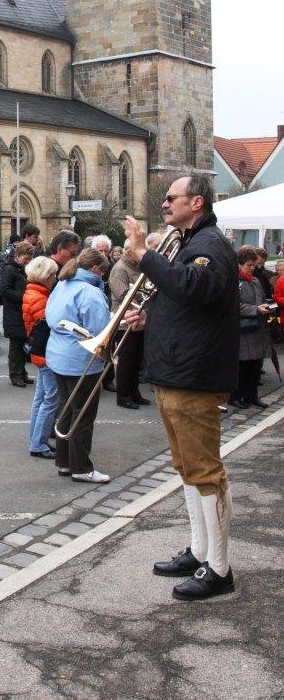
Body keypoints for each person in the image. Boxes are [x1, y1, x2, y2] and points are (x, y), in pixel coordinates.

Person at [124, 172, 239, 600]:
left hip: (194, 376)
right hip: (177, 371)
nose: (165, 204)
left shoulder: (209, 245)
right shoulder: (191, 242)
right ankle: (199, 549)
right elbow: (188, 306)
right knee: (186, 467)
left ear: (197, 203)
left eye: (172, 198)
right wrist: (151, 319)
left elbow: (194, 287)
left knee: (205, 471)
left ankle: (220, 568)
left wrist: (143, 256)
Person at [46, 247, 111, 484]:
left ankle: (64, 462)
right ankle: (81, 467)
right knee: (83, 414)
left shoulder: (62, 284)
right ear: (95, 269)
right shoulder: (89, 291)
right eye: (102, 272)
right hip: (80, 358)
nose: (103, 277)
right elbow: (101, 329)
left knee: (66, 409)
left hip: (58, 354)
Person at [108, 241, 151, 410]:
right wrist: (142, 301)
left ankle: (134, 392)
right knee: (126, 360)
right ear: (128, 251)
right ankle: (123, 395)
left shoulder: (137, 266)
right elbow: (124, 295)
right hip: (126, 321)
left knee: (136, 359)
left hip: (139, 318)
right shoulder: (119, 269)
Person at [23, 256, 59, 458]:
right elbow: (50, 324)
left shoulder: (34, 292)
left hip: (40, 352)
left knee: (42, 398)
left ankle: (37, 440)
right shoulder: (39, 297)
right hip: (45, 353)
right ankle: (39, 443)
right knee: (50, 400)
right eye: (52, 274)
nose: (55, 277)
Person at [232, 246, 272, 409]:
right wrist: (255, 309)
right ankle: (236, 396)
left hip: (257, 328)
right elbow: (235, 306)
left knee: (256, 365)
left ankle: (252, 396)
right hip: (243, 329)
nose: (252, 268)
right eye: (249, 265)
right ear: (240, 264)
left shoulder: (254, 280)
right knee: (242, 366)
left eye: (254, 265)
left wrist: (267, 306)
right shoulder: (235, 281)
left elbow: (260, 299)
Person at [0, 242, 34, 387]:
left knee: (23, 344)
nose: (27, 261)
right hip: (13, 312)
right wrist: (23, 297)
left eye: (29, 259)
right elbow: (5, 290)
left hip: (23, 312)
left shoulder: (23, 269)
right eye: (25, 258)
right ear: (17, 255)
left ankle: (22, 372)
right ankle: (15, 375)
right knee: (16, 345)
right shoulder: (9, 269)